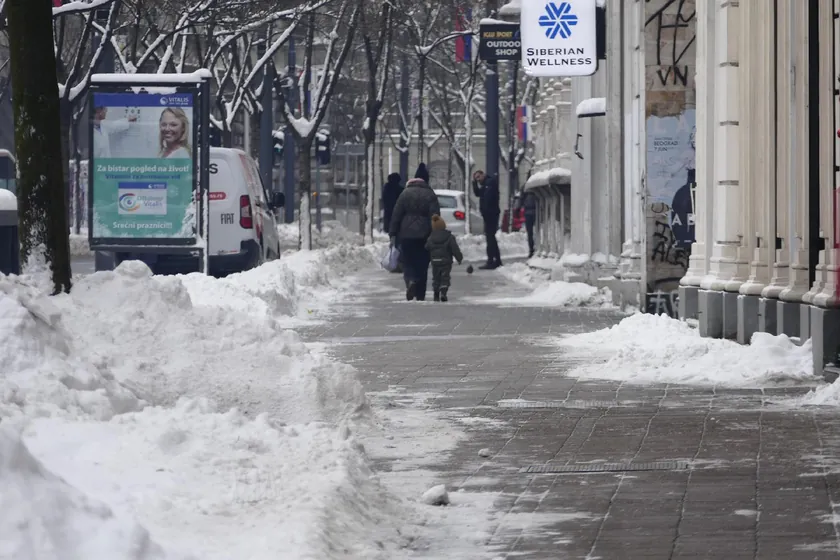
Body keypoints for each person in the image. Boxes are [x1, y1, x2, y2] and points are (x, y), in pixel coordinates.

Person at [389, 173, 441, 301]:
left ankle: (410, 281)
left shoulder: (405, 194)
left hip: (406, 234)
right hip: (425, 234)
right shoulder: (430, 194)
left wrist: (393, 232)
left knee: (407, 261)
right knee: (422, 263)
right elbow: (435, 215)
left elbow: (396, 214)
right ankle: (420, 293)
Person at [425, 214, 463, 302]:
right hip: (446, 262)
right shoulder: (449, 237)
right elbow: (455, 249)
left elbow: (426, 247)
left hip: (435, 261)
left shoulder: (431, 238)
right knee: (445, 277)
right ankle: (443, 292)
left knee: (436, 277)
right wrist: (459, 258)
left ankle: (436, 293)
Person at [472, 169, 502, 269]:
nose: (478, 180)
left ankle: (492, 260)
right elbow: (478, 193)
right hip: (489, 214)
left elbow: (488, 198)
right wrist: (474, 183)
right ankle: (496, 260)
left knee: (490, 237)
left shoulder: (490, 182)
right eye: (476, 178)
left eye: (479, 177)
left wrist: (485, 210)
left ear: (483, 175)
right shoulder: (485, 184)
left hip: (491, 214)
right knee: (490, 237)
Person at [515, 186, 538, 258]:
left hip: (528, 212)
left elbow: (521, 198)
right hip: (537, 211)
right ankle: (536, 248)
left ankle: (531, 250)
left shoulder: (525, 186)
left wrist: (517, 208)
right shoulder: (537, 184)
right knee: (537, 232)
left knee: (530, 232)